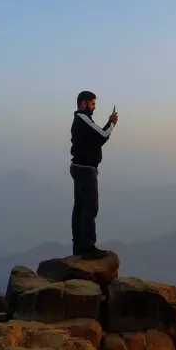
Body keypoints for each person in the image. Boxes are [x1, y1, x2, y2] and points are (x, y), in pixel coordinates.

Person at [70, 91, 118, 259]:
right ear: (83, 104)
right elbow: (102, 135)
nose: (94, 107)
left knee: (80, 207)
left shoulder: (82, 120)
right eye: (92, 104)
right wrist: (112, 123)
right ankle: (88, 248)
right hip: (85, 169)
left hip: (79, 168)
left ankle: (79, 247)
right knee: (90, 207)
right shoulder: (82, 118)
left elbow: (96, 137)